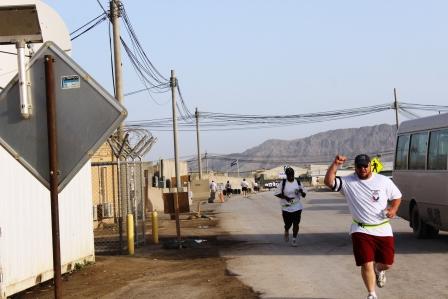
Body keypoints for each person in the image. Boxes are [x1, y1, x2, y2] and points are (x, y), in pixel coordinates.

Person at [324, 154, 402, 299]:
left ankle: (379, 270)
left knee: (387, 264)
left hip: (382, 228)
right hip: (361, 229)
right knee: (366, 263)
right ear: (355, 167)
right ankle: (371, 294)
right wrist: (335, 164)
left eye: (365, 166)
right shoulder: (348, 181)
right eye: (359, 166)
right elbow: (329, 182)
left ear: (370, 165)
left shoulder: (383, 181)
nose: (363, 169)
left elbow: (397, 196)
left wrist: (393, 209)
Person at [274, 167, 307, 247]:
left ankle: (294, 239)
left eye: (292, 175)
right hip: (286, 207)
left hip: (297, 207)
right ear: (286, 175)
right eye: (289, 175)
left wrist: (301, 192)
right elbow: (277, 193)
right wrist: (286, 198)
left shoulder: (298, 183)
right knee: (288, 224)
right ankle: (286, 230)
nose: (291, 176)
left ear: (294, 174)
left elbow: (304, 195)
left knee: (296, 223)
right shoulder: (283, 183)